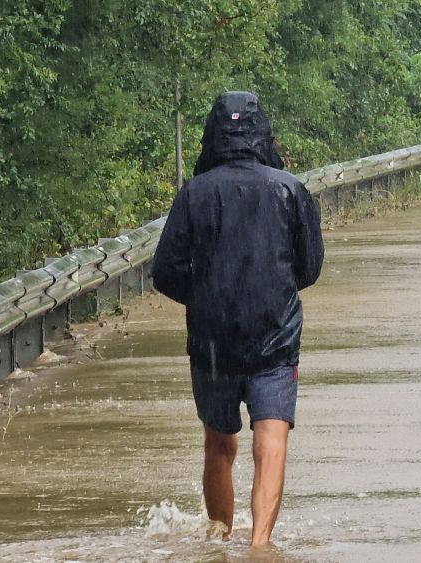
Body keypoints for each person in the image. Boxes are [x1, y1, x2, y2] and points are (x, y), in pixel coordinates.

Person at [151, 91, 324, 546]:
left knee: (219, 445)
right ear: (264, 135)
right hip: (276, 337)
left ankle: (221, 538)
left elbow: (165, 272)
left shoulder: (194, 193)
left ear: (212, 138)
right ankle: (259, 546)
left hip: (212, 344)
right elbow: (310, 267)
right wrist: (272, 291)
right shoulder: (290, 189)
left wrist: (207, 297)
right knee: (272, 442)